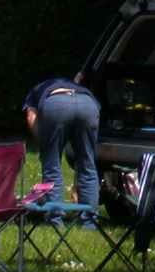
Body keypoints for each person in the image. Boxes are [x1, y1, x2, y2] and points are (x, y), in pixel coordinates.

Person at [23, 77, 101, 209]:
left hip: (56, 104)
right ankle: (90, 221)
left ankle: (55, 218)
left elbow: (31, 116)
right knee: (88, 165)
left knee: (52, 166)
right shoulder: (78, 87)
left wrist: (44, 144)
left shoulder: (36, 90)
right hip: (88, 103)